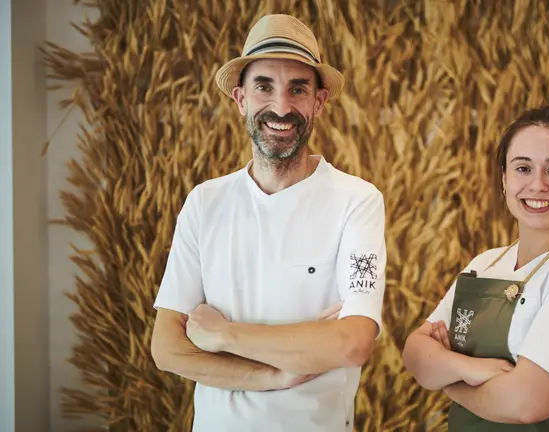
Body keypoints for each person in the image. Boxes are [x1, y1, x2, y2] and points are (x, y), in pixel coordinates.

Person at [150, 14, 386, 432]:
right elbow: (168, 349)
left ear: (319, 102)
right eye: (265, 87)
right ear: (241, 99)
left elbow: (352, 343)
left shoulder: (357, 201)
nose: (281, 107)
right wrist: (275, 374)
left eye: (298, 89)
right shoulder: (205, 203)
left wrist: (223, 335)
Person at [402, 106, 549, 431]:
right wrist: (470, 368)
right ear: (505, 179)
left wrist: (449, 381)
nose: (537, 185)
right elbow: (414, 354)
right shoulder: (486, 263)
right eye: (523, 168)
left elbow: (528, 402)